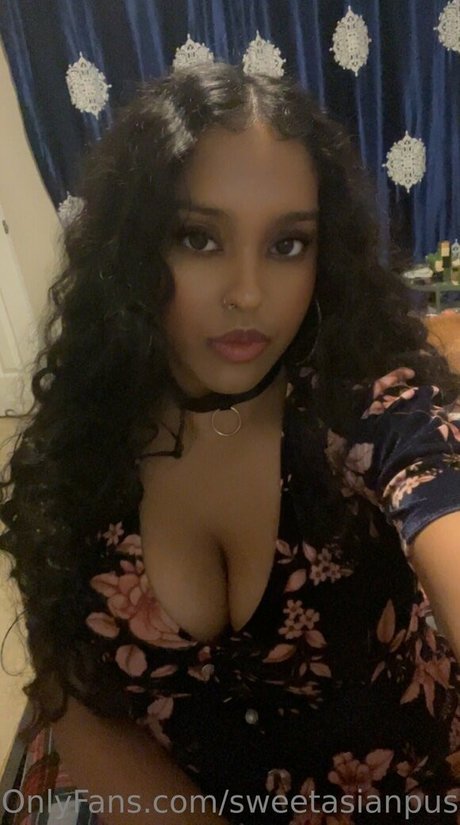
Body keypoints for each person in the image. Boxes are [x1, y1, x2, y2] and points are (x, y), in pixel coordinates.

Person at [2, 60, 460, 825]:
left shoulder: (365, 404)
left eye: (287, 245)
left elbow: (440, 500)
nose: (247, 291)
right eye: (199, 237)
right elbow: (72, 698)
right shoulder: (76, 453)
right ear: (134, 249)